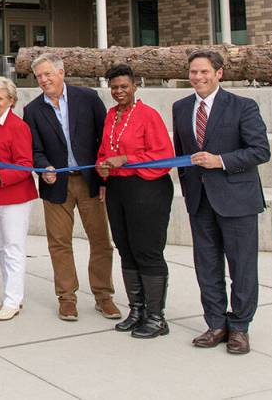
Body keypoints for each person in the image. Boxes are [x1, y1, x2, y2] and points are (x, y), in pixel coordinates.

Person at [173, 50, 270, 355]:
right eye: (193, 72)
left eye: (204, 72)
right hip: (200, 202)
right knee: (207, 265)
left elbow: (260, 150)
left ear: (219, 74)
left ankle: (240, 327)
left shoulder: (243, 106)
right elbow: (182, 154)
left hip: (237, 200)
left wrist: (221, 161)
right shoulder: (181, 107)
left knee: (241, 266)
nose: (198, 77)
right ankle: (215, 323)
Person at [23, 53, 121, 322]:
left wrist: (104, 179)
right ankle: (67, 298)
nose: (43, 80)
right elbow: (34, 149)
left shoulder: (87, 98)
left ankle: (104, 296)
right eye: (39, 76)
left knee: (101, 241)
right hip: (57, 186)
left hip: (90, 181)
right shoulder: (32, 110)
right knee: (59, 243)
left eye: (47, 74)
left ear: (61, 72)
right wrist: (44, 168)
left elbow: (104, 138)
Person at [95, 64, 175, 338]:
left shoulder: (148, 115)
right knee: (126, 248)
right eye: (114, 87)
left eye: (124, 87)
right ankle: (137, 309)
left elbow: (164, 156)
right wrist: (103, 167)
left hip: (147, 188)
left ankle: (156, 317)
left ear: (135, 86)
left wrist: (127, 159)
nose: (119, 92)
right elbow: (105, 150)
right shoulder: (111, 116)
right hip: (119, 188)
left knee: (147, 250)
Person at [0, 77, 37, 322]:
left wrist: (1, 174)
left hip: (14, 197)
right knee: (1, 247)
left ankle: (13, 301)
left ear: (11, 102)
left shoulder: (18, 127)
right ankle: (9, 295)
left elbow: (26, 166)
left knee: (13, 248)